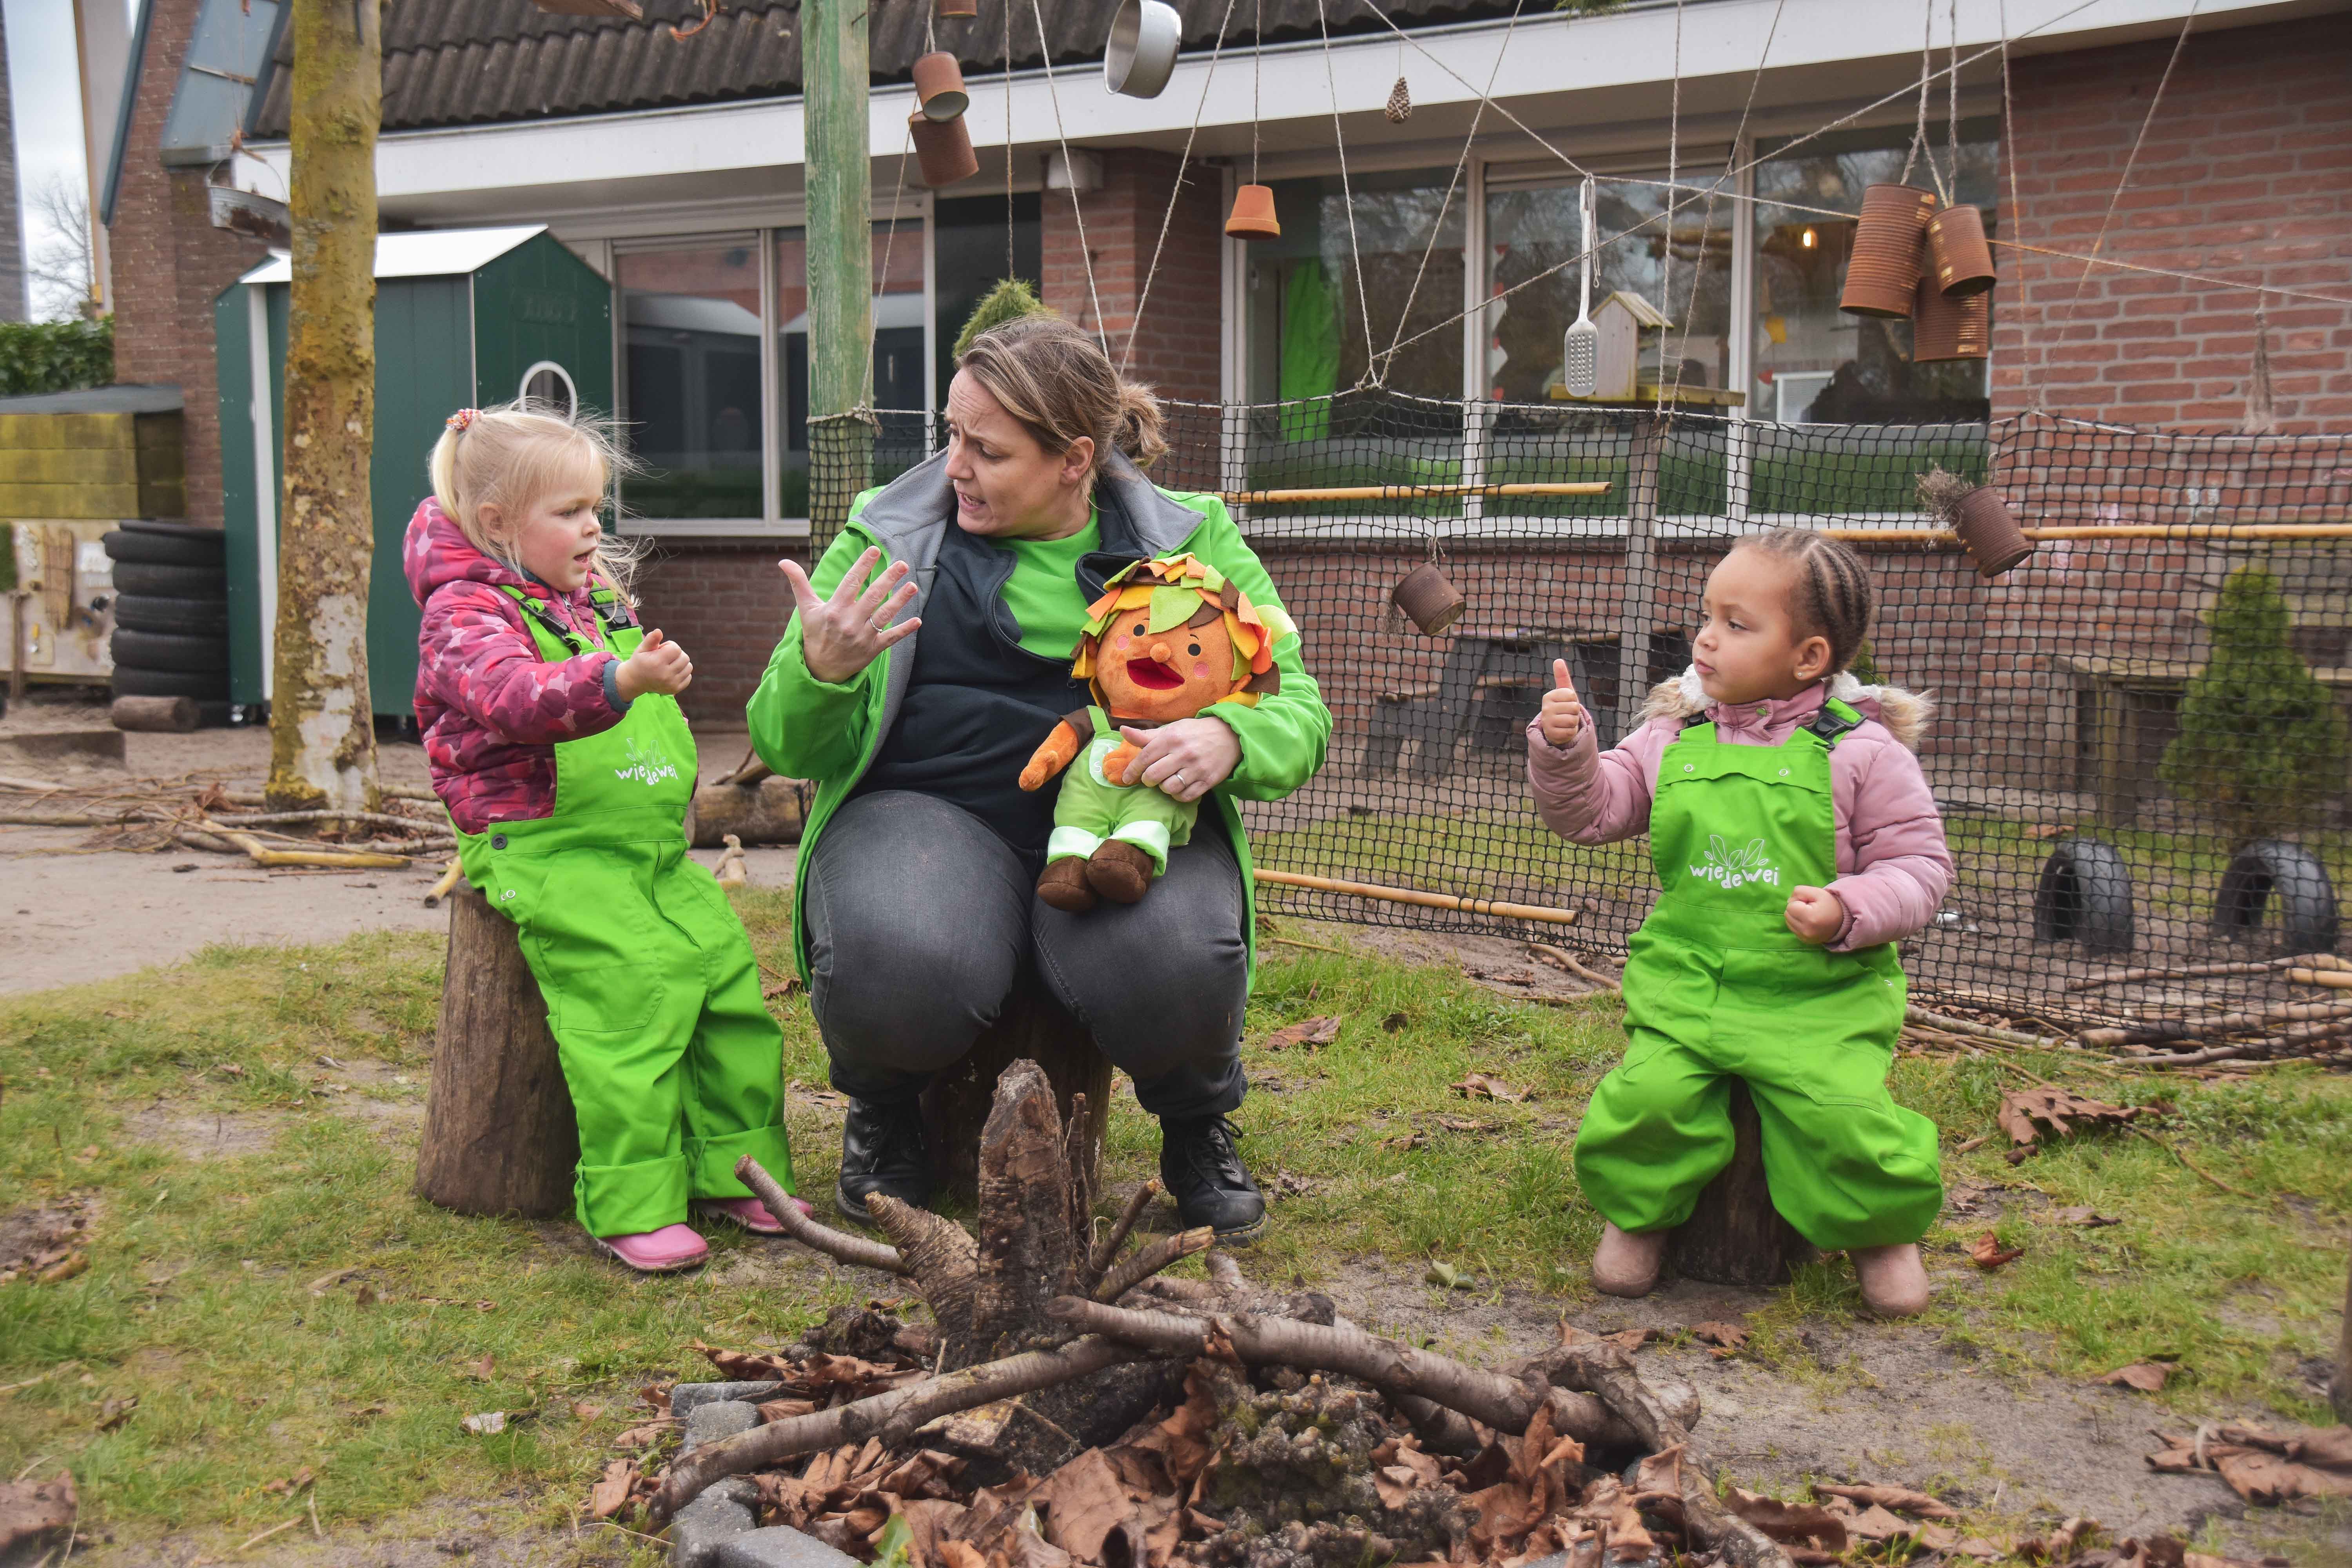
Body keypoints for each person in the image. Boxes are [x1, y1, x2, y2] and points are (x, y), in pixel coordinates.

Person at [746, 316, 1331, 1242]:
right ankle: (886, 1109)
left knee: (1180, 959)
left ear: (1075, 459)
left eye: (988, 449)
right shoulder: (885, 537)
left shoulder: (1195, 540)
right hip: (927, 813)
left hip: (1124, 821)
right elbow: (786, 742)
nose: (955, 468)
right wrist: (822, 671)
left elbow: (1299, 702)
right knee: (899, 956)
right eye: (951, 436)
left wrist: (1229, 731)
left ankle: (1195, 1123)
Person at [409, 402, 806, 1274]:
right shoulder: (463, 614)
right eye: (570, 512)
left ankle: (736, 1167)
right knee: (629, 998)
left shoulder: (588, 601)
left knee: (723, 980)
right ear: (497, 524)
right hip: (545, 844)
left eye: (597, 507)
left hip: (649, 851)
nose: (594, 526)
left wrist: (636, 664)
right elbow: (517, 697)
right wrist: (621, 677)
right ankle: (631, 1196)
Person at [1526, 529, 1951, 1317]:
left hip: (1817, 995)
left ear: (1810, 656)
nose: (1706, 637)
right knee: (1649, 1098)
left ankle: (1883, 1231)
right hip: (1691, 982)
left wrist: (1850, 909)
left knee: (1842, 1114)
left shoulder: (1865, 752)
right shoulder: (1673, 733)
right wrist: (1566, 748)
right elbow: (1594, 811)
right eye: (1707, 615)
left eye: (1738, 622)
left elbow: (1922, 868)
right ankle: (1640, 1213)